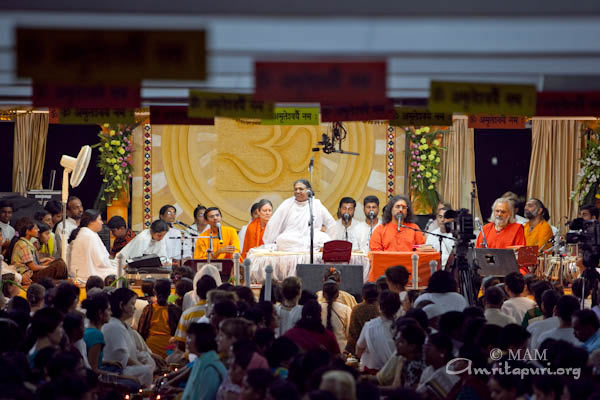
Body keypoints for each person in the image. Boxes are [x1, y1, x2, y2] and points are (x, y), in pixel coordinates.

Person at [263, 179, 336, 251]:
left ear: (308, 190)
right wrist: (269, 242)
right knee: (281, 239)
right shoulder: (287, 203)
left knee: (324, 239)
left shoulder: (316, 204)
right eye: (295, 189)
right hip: (292, 237)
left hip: (312, 237)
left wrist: (331, 241)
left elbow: (331, 223)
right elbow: (274, 223)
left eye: (301, 189)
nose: (297, 191)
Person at [102, 288, 154, 387]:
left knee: (148, 361)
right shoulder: (114, 326)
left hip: (124, 368)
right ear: (122, 305)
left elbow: (133, 352)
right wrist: (142, 367)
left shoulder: (122, 325)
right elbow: (123, 358)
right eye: (132, 304)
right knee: (146, 371)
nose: (135, 308)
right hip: (115, 371)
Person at [9, 217, 68, 283]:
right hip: (30, 276)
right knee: (59, 264)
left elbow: (33, 262)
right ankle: (58, 282)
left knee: (59, 261)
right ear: (28, 231)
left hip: (33, 272)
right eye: (35, 228)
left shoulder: (27, 243)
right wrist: (48, 266)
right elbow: (33, 267)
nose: (38, 230)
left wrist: (46, 262)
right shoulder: (23, 245)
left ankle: (58, 281)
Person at [356, 290, 401, 371]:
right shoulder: (401, 326)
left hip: (373, 373)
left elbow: (359, 350)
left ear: (379, 306)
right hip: (395, 373)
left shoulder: (369, 327)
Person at [181, 323, 227, 400]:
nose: (186, 341)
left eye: (189, 337)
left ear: (200, 339)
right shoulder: (200, 360)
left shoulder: (210, 368)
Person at [137, 278, 182, 358]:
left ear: (154, 291)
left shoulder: (148, 309)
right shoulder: (176, 310)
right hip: (170, 349)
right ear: (169, 292)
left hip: (151, 350)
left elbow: (141, 330)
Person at [68, 209, 117, 282]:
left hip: (82, 272)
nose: (102, 223)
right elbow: (100, 261)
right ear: (91, 222)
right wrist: (114, 263)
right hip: (88, 273)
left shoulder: (86, 233)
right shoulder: (89, 235)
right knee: (119, 272)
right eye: (99, 220)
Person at [346, 282, 380, 355]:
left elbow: (353, 333)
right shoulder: (382, 307)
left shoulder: (357, 309)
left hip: (363, 350)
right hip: (382, 348)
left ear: (363, 295)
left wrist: (348, 351)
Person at [81, 292, 111, 374]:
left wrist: (108, 362)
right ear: (100, 313)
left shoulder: (87, 330)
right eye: (108, 310)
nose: (110, 313)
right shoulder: (97, 335)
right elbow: (93, 369)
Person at [320, 280, 351, 352]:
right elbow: (348, 333)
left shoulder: (317, 308)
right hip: (341, 350)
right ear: (337, 294)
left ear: (323, 294)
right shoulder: (346, 309)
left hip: (322, 350)